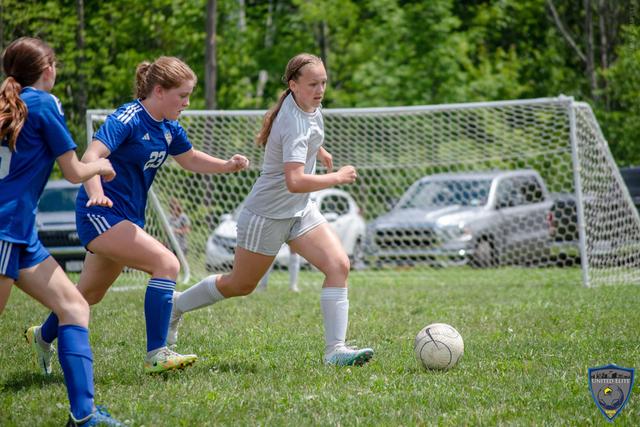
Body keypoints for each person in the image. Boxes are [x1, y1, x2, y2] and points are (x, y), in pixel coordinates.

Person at [29, 56, 250, 375]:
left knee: (89, 294)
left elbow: (190, 159)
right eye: (182, 95)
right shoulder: (128, 117)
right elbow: (91, 157)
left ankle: (42, 335)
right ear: (159, 91)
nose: (187, 103)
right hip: (100, 214)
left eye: (189, 95)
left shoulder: (169, 127)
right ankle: (157, 354)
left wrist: (226, 165)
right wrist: (96, 193)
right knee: (167, 263)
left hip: (127, 217)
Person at [168, 53, 374, 366]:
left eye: (323, 82)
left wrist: (319, 150)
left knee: (338, 266)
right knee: (240, 284)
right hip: (266, 216)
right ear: (293, 85)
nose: (320, 90)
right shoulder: (293, 121)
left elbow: (306, 135)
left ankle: (335, 351)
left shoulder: (308, 106)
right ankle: (177, 305)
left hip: (299, 212)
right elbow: (295, 181)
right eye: (313, 84)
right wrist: (337, 177)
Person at [0, 37, 123, 426]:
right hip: (5, 229)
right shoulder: (44, 103)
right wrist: (101, 167)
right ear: (48, 69)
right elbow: (73, 172)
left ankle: (83, 416)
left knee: (73, 308)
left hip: (20, 234)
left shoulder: (10, 104)